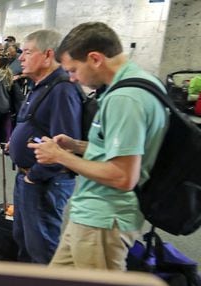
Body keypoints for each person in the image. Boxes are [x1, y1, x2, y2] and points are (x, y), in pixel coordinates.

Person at [28, 22, 168, 270]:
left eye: (73, 70)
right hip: (93, 216)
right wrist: (77, 146)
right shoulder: (138, 84)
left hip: (104, 219)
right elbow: (120, 150)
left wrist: (60, 156)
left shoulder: (125, 98)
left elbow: (123, 176)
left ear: (94, 59)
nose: (71, 78)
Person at [6, 30, 84, 264]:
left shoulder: (62, 89)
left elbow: (64, 144)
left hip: (45, 182)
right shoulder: (41, 85)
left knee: (41, 248)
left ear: (49, 55)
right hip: (29, 179)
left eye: (27, 52)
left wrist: (34, 177)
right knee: (25, 241)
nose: (21, 58)